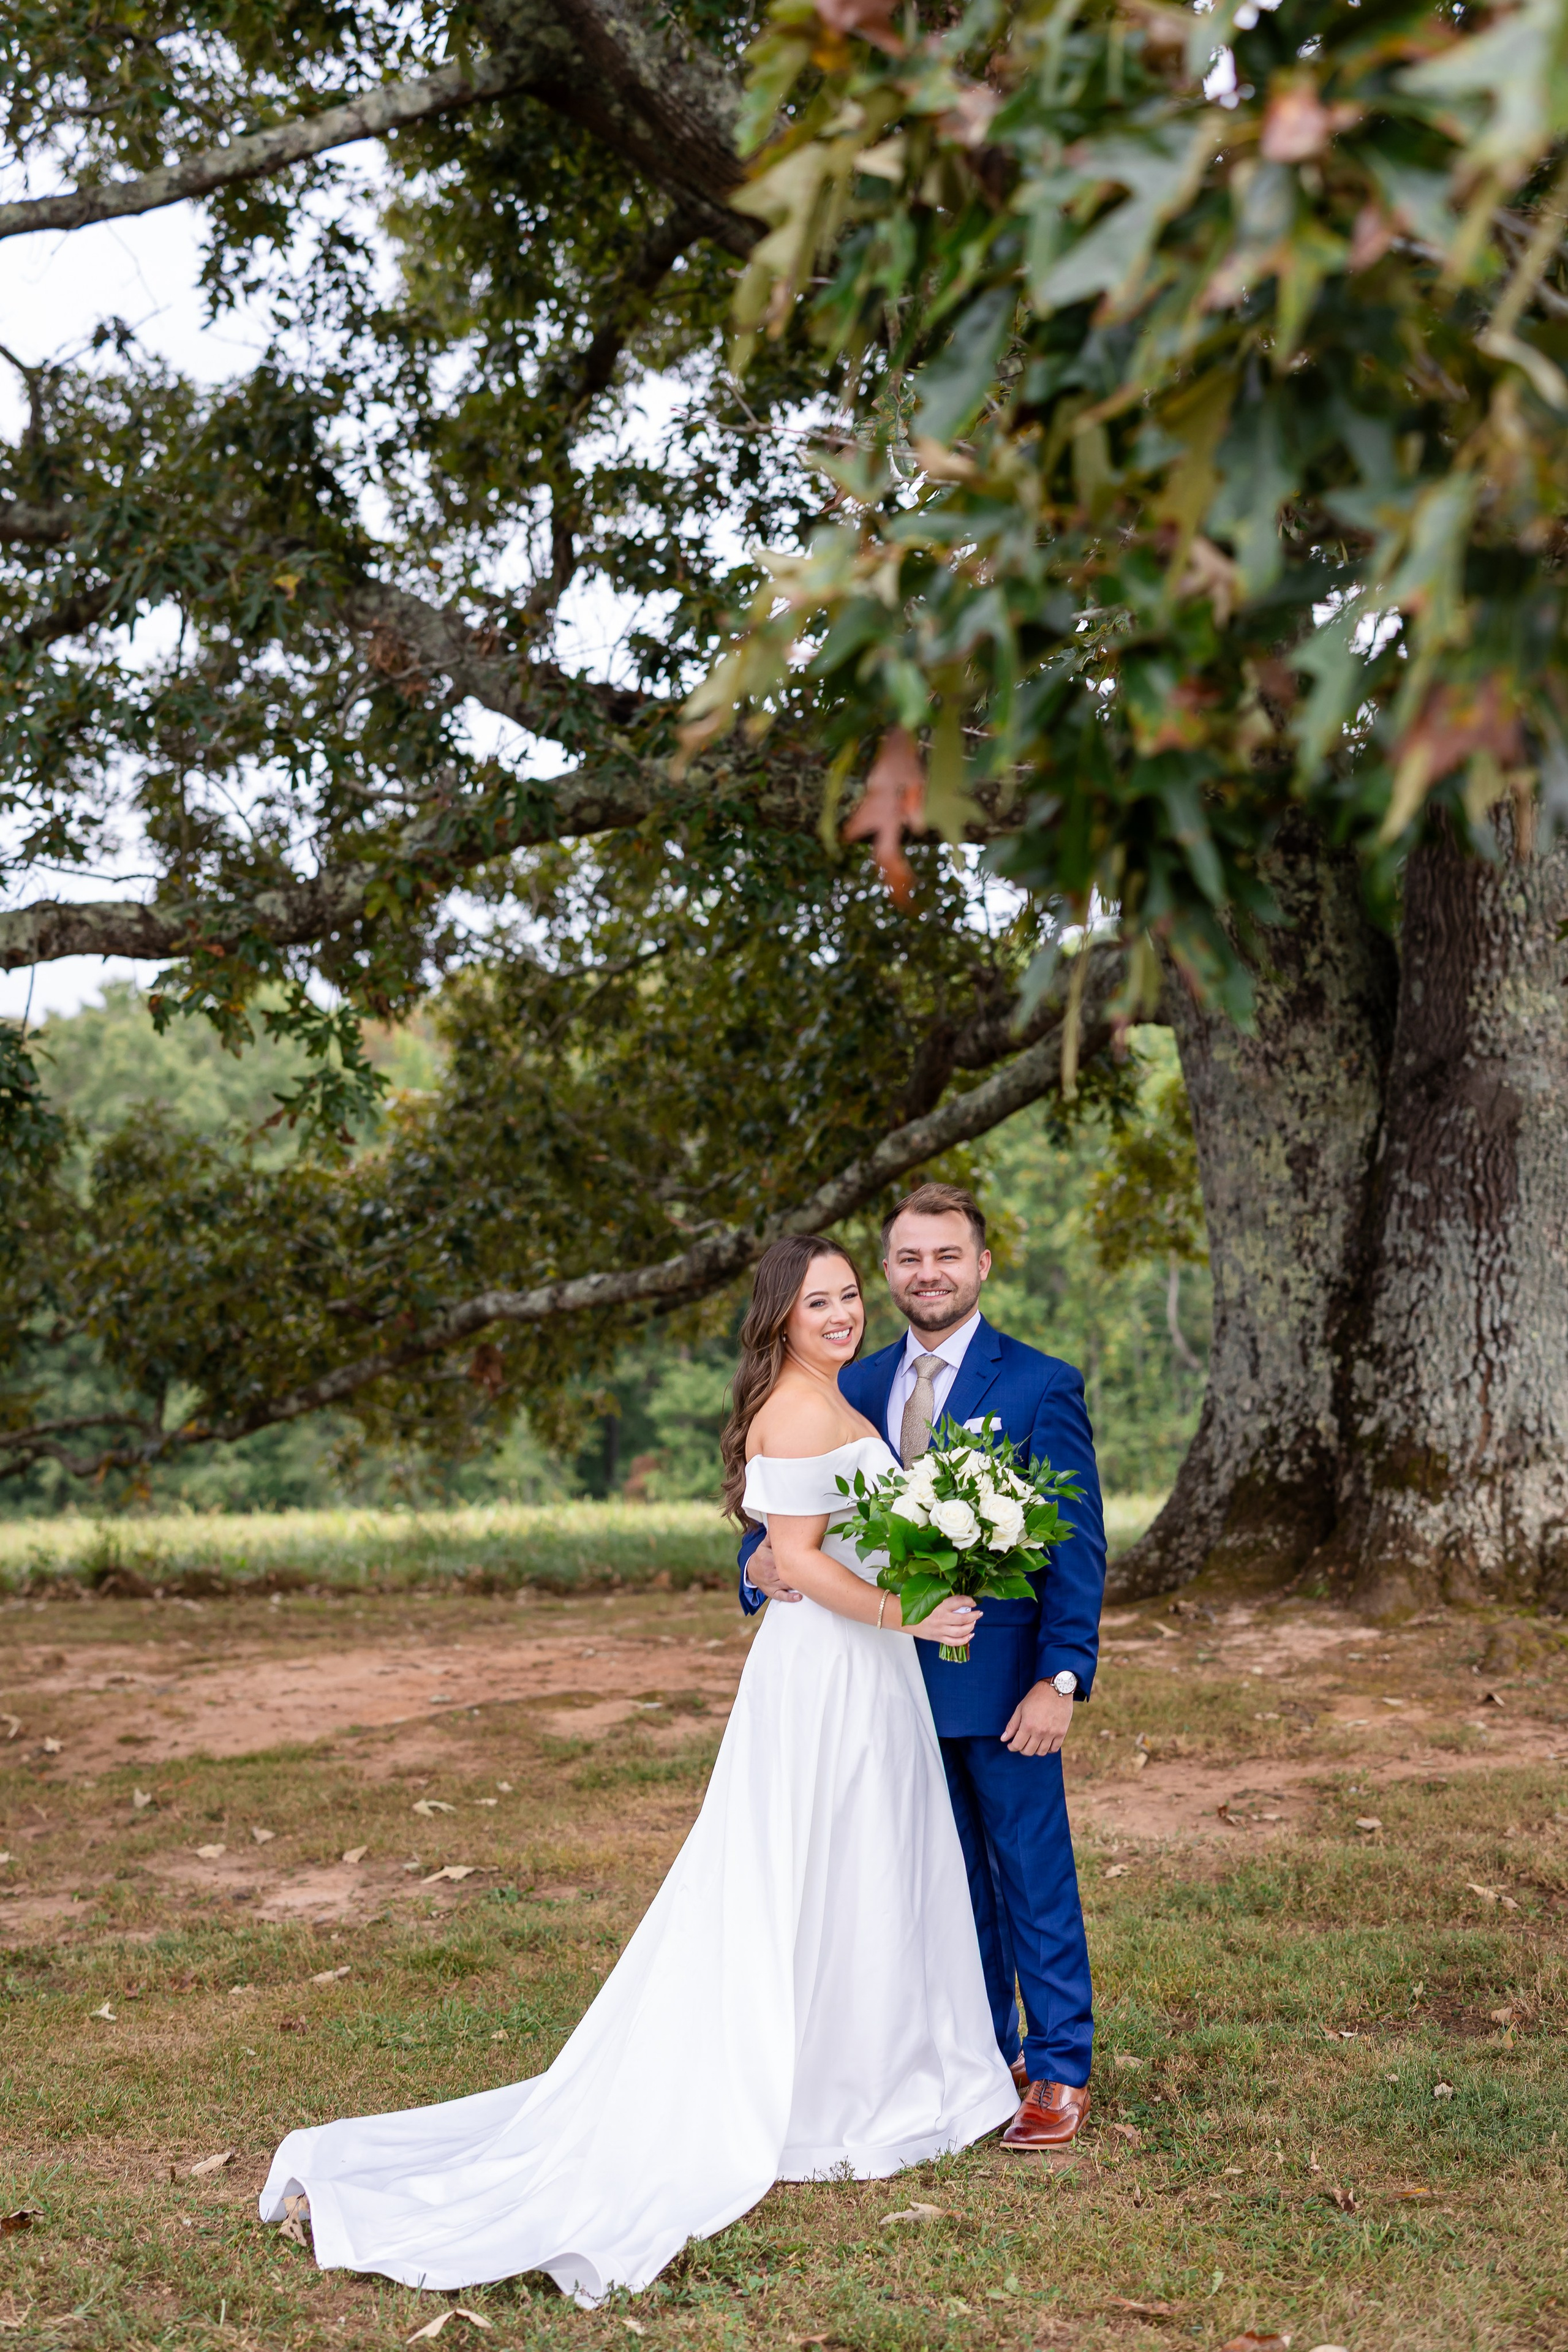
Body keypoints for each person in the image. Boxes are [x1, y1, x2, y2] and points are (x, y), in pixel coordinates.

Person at [258, 1233, 1016, 2305]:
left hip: (862, 1673)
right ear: (779, 1320)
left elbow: (798, 1545)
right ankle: (821, 2097)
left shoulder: (837, 1398)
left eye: (851, 1295)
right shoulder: (800, 1410)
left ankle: (865, 2078)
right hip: (829, 1677)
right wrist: (913, 1611)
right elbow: (793, 1559)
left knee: (860, 1871)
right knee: (806, 1870)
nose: (844, 1314)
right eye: (821, 1303)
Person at [739, 1182, 1106, 2150]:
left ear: (981, 1265)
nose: (926, 1273)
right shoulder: (844, 1384)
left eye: (947, 1255)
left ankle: (1060, 2066)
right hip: (878, 1691)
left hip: (1000, 1684)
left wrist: (1061, 1677)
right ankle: (983, 2052)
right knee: (935, 1884)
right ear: (889, 1270)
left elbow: (1077, 1548)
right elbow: (788, 1521)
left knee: (1031, 1871)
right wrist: (757, 1567)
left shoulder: (1039, 1384)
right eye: (907, 1258)